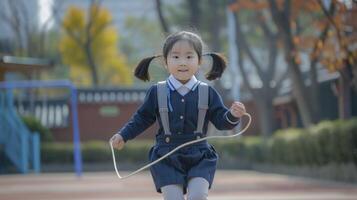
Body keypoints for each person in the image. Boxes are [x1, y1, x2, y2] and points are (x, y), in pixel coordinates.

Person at [110, 31, 246, 200]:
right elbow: (142, 118)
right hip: (166, 156)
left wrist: (232, 115)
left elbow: (221, 121)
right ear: (165, 62)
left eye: (189, 57)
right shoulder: (157, 92)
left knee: (197, 196)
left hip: (200, 155)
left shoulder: (207, 92)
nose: (182, 62)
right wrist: (123, 135)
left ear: (199, 62)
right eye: (175, 57)